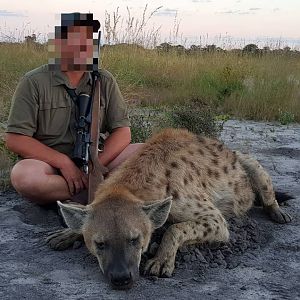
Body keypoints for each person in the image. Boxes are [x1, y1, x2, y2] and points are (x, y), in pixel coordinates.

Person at [5, 13, 140, 205]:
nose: (85, 47)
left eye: (89, 41)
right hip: (50, 165)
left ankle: (82, 192)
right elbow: (15, 139)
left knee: (148, 153)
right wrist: (63, 162)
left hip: (96, 160)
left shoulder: (104, 80)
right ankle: (101, 192)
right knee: (24, 177)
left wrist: (96, 165)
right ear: (59, 44)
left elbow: (123, 132)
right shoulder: (33, 81)